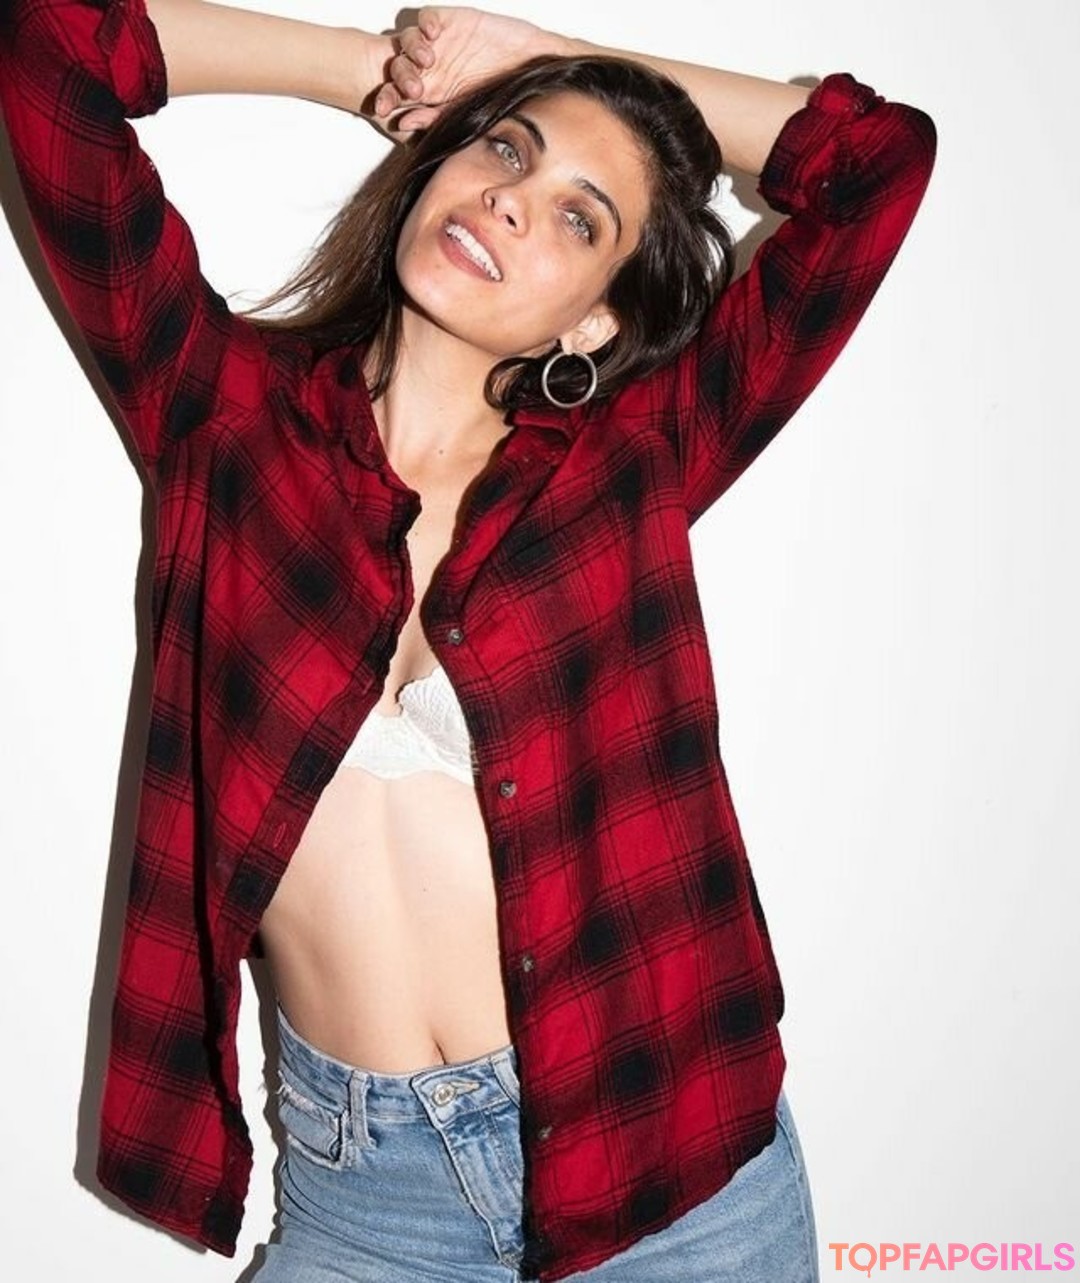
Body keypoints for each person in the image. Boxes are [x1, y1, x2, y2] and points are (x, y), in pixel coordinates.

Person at [0, 1, 936, 1279]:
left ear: (593, 322)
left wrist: (552, 67)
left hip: (672, 1177)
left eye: (579, 217)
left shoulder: (632, 466)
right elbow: (50, 49)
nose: (511, 200)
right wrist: (381, 79)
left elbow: (878, 163)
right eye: (505, 149)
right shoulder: (224, 420)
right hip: (365, 1204)